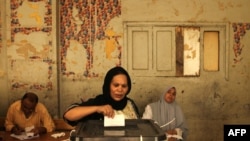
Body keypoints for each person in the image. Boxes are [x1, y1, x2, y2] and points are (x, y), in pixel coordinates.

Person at [63, 66, 140, 126]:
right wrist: (97, 108)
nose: (120, 90)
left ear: (128, 88)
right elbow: (68, 115)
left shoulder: (130, 104)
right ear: (108, 86)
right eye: (116, 85)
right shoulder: (99, 102)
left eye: (124, 86)